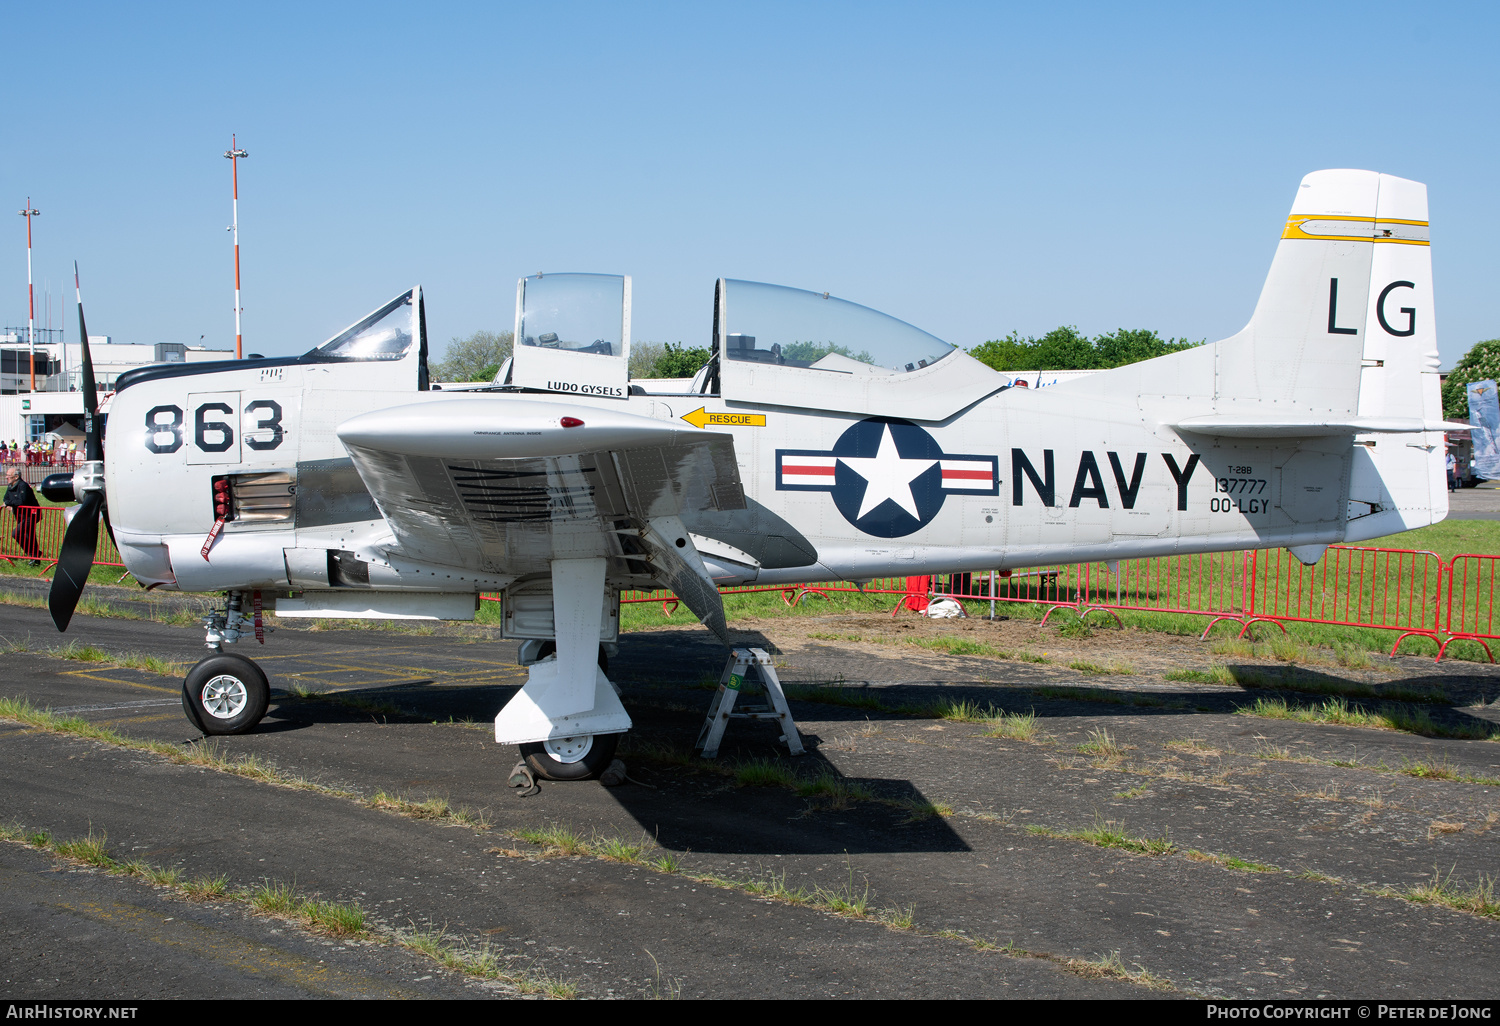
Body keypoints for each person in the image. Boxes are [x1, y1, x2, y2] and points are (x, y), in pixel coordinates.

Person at [4, 467, 42, 566]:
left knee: (16, 533)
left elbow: (21, 501)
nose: (6, 477)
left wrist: (9, 503)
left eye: (8, 475)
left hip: (31, 514)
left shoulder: (23, 485)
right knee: (30, 536)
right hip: (21, 515)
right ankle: (36, 558)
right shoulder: (10, 486)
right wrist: (10, 503)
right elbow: (5, 498)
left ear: (16, 476)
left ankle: (32, 554)